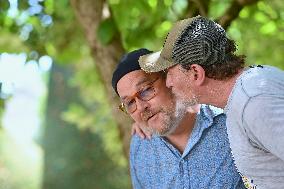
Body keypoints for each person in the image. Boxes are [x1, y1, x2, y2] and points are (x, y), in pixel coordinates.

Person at [139, 16, 284, 189]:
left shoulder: (252, 103)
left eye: (169, 72)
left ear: (195, 73)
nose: (168, 83)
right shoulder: (247, 91)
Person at [111, 48, 245, 189]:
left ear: (168, 79)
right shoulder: (140, 146)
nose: (141, 107)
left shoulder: (231, 122)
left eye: (145, 90)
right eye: (130, 103)